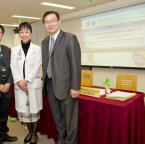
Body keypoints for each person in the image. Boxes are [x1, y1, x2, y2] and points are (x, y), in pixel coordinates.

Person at [41, 11, 81, 144]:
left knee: (70, 120)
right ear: (44, 25)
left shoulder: (70, 38)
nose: (50, 24)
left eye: (53, 20)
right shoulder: (45, 42)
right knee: (57, 118)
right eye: (47, 22)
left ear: (59, 21)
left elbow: (75, 64)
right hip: (50, 85)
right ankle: (62, 140)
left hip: (67, 87)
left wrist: (75, 87)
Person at [10, 22, 42, 144]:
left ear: (31, 33)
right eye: (22, 32)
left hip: (32, 84)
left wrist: (26, 80)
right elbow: (13, 67)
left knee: (34, 111)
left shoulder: (37, 49)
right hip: (20, 85)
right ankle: (29, 131)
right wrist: (19, 82)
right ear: (19, 34)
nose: (24, 34)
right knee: (24, 112)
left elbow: (36, 67)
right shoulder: (14, 50)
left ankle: (34, 134)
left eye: (27, 32)